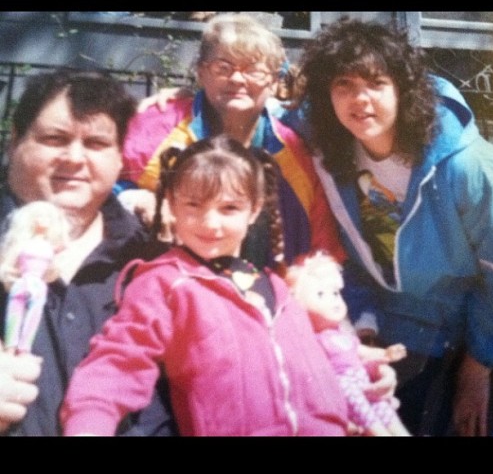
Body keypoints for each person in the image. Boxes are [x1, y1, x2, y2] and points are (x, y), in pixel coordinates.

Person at [60, 135, 349, 437]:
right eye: (194, 205)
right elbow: (118, 362)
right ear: (171, 203)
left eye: (229, 208)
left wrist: (360, 368)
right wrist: (88, 426)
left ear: (254, 210)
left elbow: (322, 363)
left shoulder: (278, 286)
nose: (210, 223)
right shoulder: (165, 283)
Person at [295, 18, 493, 436]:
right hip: (390, 331)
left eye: (376, 83)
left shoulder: (465, 166)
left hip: (472, 334)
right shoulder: (330, 153)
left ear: (403, 90)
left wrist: (478, 366)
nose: (360, 99)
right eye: (344, 85)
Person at [0, 69, 176, 436]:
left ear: (118, 157)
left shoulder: (152, 260)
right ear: (14, 142)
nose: (74, 158)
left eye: (96, 144)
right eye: (54, 138)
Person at [116, 12, 345, 270]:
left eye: (253, 70)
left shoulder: (294, 149)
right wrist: (134, 198)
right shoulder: (157, 126)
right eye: (223, 68)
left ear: (273, 81)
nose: (237, 79)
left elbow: (323, 249)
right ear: (202, 73)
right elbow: (98, 190)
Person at [286, 251, 410, 436]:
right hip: (344, 390)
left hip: (364, 384)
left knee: (385, 412)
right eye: (321, 294)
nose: (334, 300)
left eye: (335, 293)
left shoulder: (344, 336)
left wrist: (385, 354)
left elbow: (363, 351)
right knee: (367, 416)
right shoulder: (314, 340)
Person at [0, 201, 68, 353]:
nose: (42, 220)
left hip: (38, 284)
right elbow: (9, 262)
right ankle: (11, 346)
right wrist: (11, 275)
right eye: (39, 216)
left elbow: (53, 268)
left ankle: (24, 348)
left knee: (33, 318)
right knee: (14, 314)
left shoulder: (50, 247)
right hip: (22, 282)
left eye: (47, 217)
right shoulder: (22, 244)